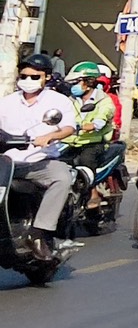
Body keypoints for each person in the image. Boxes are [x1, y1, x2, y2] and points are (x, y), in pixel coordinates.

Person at [0, 59, 80, 245]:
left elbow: (69, 127)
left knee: (62, 178)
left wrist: (50, 136)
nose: (28, 80)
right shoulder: (6, 102)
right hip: (8, 162)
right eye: (24, 76)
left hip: (41, 161)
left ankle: (40, 232)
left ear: (47, 77)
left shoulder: (58, 101)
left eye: (35, 76)